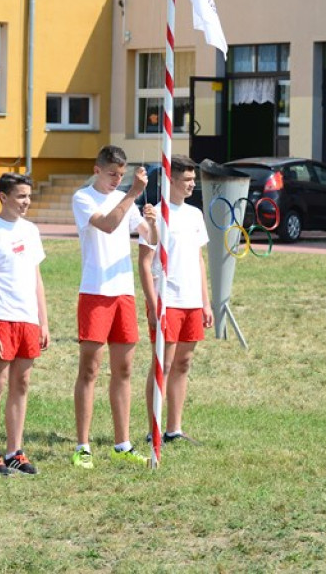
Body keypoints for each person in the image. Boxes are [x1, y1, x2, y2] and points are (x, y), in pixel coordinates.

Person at [71, 145, 157, 469]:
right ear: (97, 170)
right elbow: (108, 224)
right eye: (112, 175)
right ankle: (83, 445)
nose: (116, 180)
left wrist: (153, 223)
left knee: (123, 370)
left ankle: (122, 443)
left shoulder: (127, 199)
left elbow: (149, 238)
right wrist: (133, 192)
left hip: (124, 293)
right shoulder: (83, 198)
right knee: (90, 370)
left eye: (121, 176)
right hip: (95, 292)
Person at [0, 172, 49, 475]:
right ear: (3, 197)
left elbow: (37, 279)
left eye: (28, 196)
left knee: (22, 384)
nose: (26, 202)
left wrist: (43, 322)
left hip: (27, 319)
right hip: (2, 319)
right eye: (20, 196)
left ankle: (14, 452)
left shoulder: (31, 231)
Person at [139, 155, 213, 444]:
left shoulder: (195, 214)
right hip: (167, 300)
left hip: (191, 301)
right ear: (170, 180)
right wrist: (153, 302)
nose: (192, 184)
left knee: (183, 363)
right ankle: (153, 428)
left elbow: (199, 260)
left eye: (194, 180)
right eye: (187, 180)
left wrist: (205, 302)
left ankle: (174, 429)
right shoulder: (155, 215)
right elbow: (145, 263)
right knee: (163, 364)